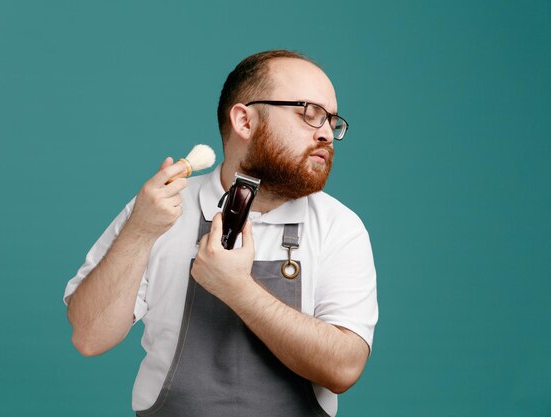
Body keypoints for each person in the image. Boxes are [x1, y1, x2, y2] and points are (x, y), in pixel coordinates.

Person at [63, 49, 378, 417]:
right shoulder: (160, 208)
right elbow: (89, 336)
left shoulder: (340, 226)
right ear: (244, 121)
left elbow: (343, 368)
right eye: (310, 113)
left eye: (332, 121)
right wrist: (139, 232)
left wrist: (236, 287)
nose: (326, 133)